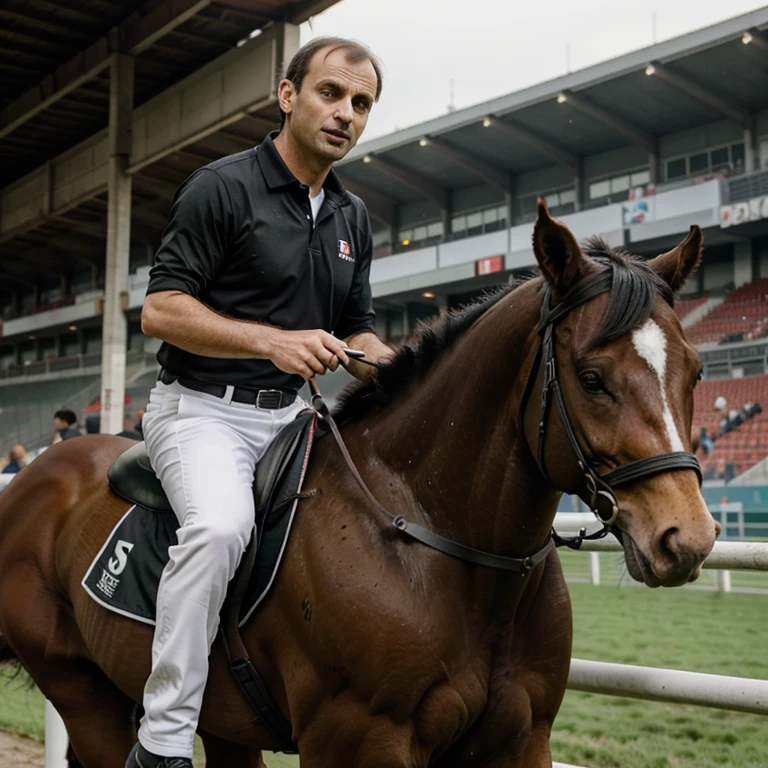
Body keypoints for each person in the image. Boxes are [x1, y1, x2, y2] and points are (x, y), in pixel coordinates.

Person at [127, 37, 393, 768]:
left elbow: (357, 326)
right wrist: (271, 342)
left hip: (293, 419)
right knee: (217, 529)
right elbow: (160, 311)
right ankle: (164, 738)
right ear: (287, 95)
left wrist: (389, 363)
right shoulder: (221, 186)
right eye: (330, 93)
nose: (345, 113)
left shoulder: (353, 217)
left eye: (361, 103)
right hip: (201, 411)